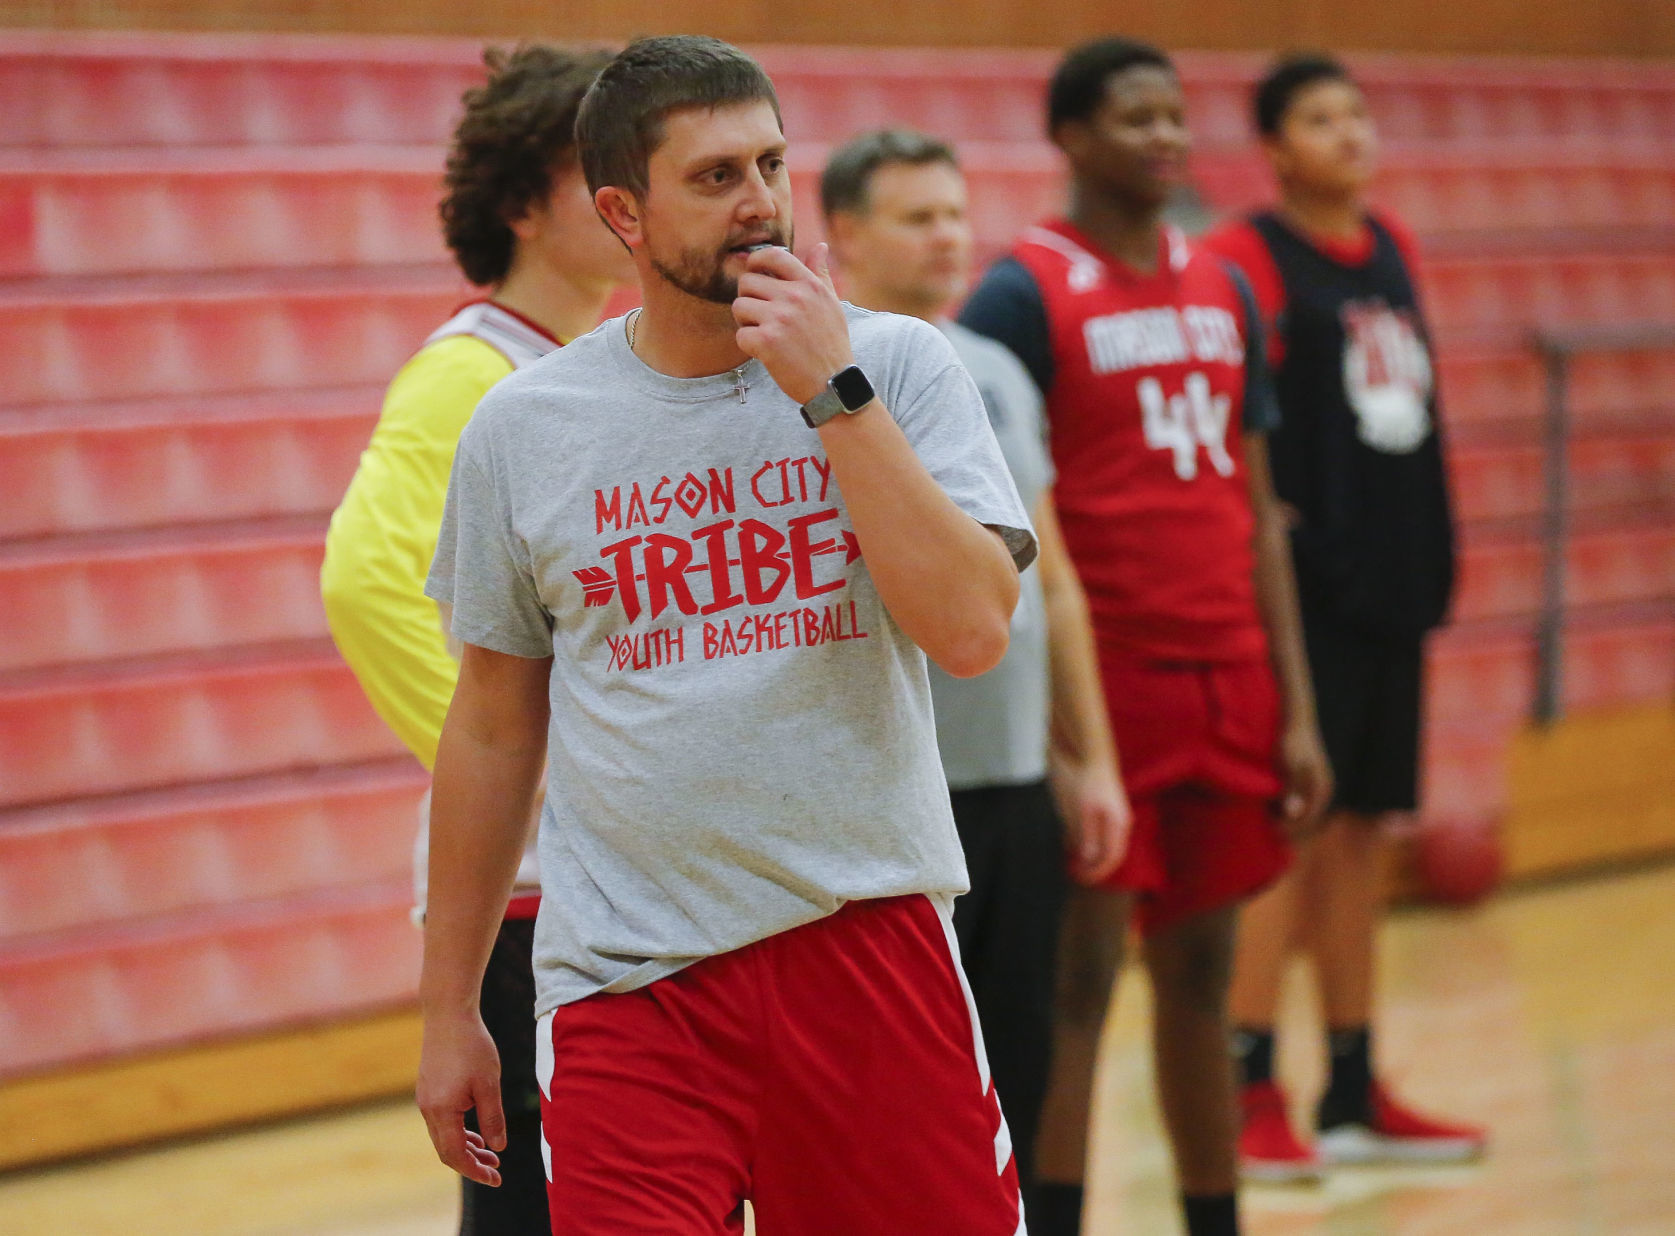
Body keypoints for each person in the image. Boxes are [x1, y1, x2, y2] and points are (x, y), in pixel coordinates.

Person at [415, 35, 1036, 1235]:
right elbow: (492, 726)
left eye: (770, 163)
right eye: (713, 178)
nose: (759, 203)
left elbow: (968, 631)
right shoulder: (523, 427)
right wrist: (451, 1011)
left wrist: (831, 393)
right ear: (621, 213)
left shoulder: (897, 365)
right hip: (625, 991)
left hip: (864, 953)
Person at [960, 38, 1333, 1236]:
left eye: (1176, 116)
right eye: (1136, 117)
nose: (1166, 137)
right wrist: (1062, 731)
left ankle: (1212, 1217)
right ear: (1070, 135)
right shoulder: (1019, 294)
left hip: (1227, 674)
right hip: (1105, 684)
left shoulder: (1223, 283)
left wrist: (1300, 706)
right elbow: (998, 519)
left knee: (1204, 975)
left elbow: (1258, 510)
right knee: (1075, 982)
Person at [319, 43, 629, 1234]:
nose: (622, 195)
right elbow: (364, 581)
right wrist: (515, 771)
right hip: (526, 890)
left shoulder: (584, 372)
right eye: (588, 171)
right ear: (519, 205)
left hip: (597, 879)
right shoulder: (468, 374)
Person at [821, 128, 1132, 1210]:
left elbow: (1049, 582)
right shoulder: (817, 378)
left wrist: (1087, 759)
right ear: (844, 236)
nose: (950, 236)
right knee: (913, 1099)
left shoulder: (994, 369)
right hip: (897, 811)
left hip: (1014, 791)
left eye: (956, 213)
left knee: (1026, 1059)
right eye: (919, 217)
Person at [1202, 53, 1485, 1179]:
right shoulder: (1246, 259)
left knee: (1363, 831)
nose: (1349, 133)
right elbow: (1231, 432)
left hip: (1390, 583)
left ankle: (1356, 1087)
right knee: (1289, 835)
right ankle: (1249, 1083)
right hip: (1300, 596)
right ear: (1274, 145)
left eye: (1357, 113)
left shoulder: (1394, 245)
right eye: (1321, 118)